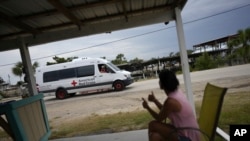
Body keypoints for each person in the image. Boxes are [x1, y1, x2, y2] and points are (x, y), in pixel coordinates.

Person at [142, 69, 200, 141]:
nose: (159, 82)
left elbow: (159, 118)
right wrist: (154, 100)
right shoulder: (176, 93)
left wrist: (147, 107)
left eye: (160, 80)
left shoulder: (171, 101)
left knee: (152, 125)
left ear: (163, 84)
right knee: (155, 136)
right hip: (183, 131)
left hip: (188, 137)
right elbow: (164, 110)